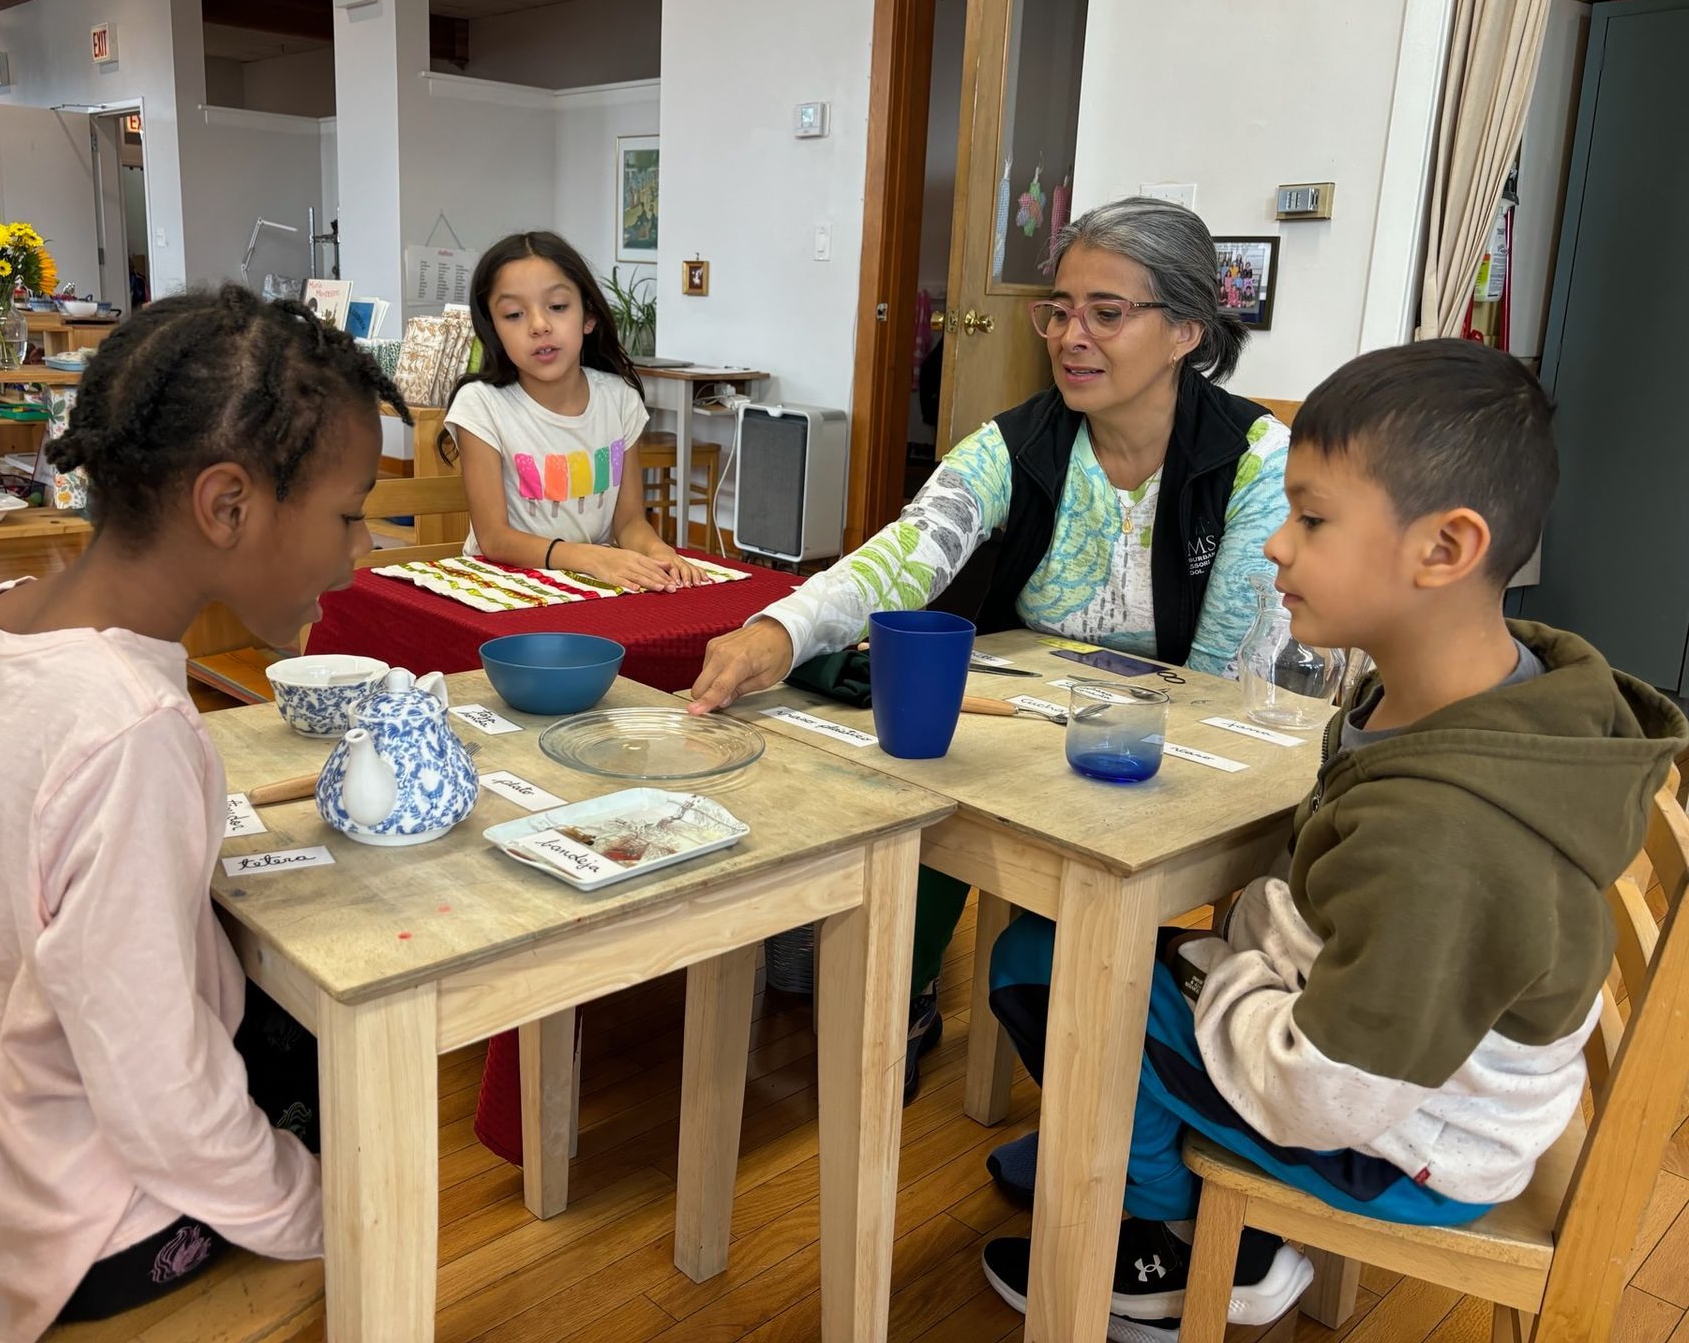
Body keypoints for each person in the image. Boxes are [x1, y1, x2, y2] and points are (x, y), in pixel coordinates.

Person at [977, 340, 1687, 1339]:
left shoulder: (1449, 836)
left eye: (1310, 519)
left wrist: (1226, 974)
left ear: (1444, 549)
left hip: (1399, 1145)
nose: (1276, 545)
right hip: (1407, 1078)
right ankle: (1140, 1153)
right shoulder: (1481, 697)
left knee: (1053, 969)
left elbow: (1322, 1096)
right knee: (1101, 962)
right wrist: (1236, 962)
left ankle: (1174, 1244)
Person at [0, 285, 402, 1341]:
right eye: (349, 515)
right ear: (227, 505)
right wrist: (326, 1214)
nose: (361, 551)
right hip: (75, 1230)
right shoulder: (131, 729)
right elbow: (162, 1101)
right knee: (353, 1053)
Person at [687, 197, 1293, 1101]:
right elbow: (907, 551)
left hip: (1162, 749)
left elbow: (1223, 678)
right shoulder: (1019, 443)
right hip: (1021, 720)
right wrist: (782, 628)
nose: (1071, 337)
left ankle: (1115, 1078)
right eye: (1060, 310)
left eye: (1107, 313)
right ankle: (904, 991)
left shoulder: (1254, 459)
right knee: (918, 765)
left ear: (1185, 331)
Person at [444, 230, 707, 591]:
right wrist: (592, 557)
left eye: (557, 306)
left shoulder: (619, 399)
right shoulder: (480, 404)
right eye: (514, 314)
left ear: (588, 316)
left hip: (590, 584)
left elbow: (629, 522)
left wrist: (658, 551)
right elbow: (495, 538)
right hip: (504, 587)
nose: (539, 326)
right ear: (493, 331)